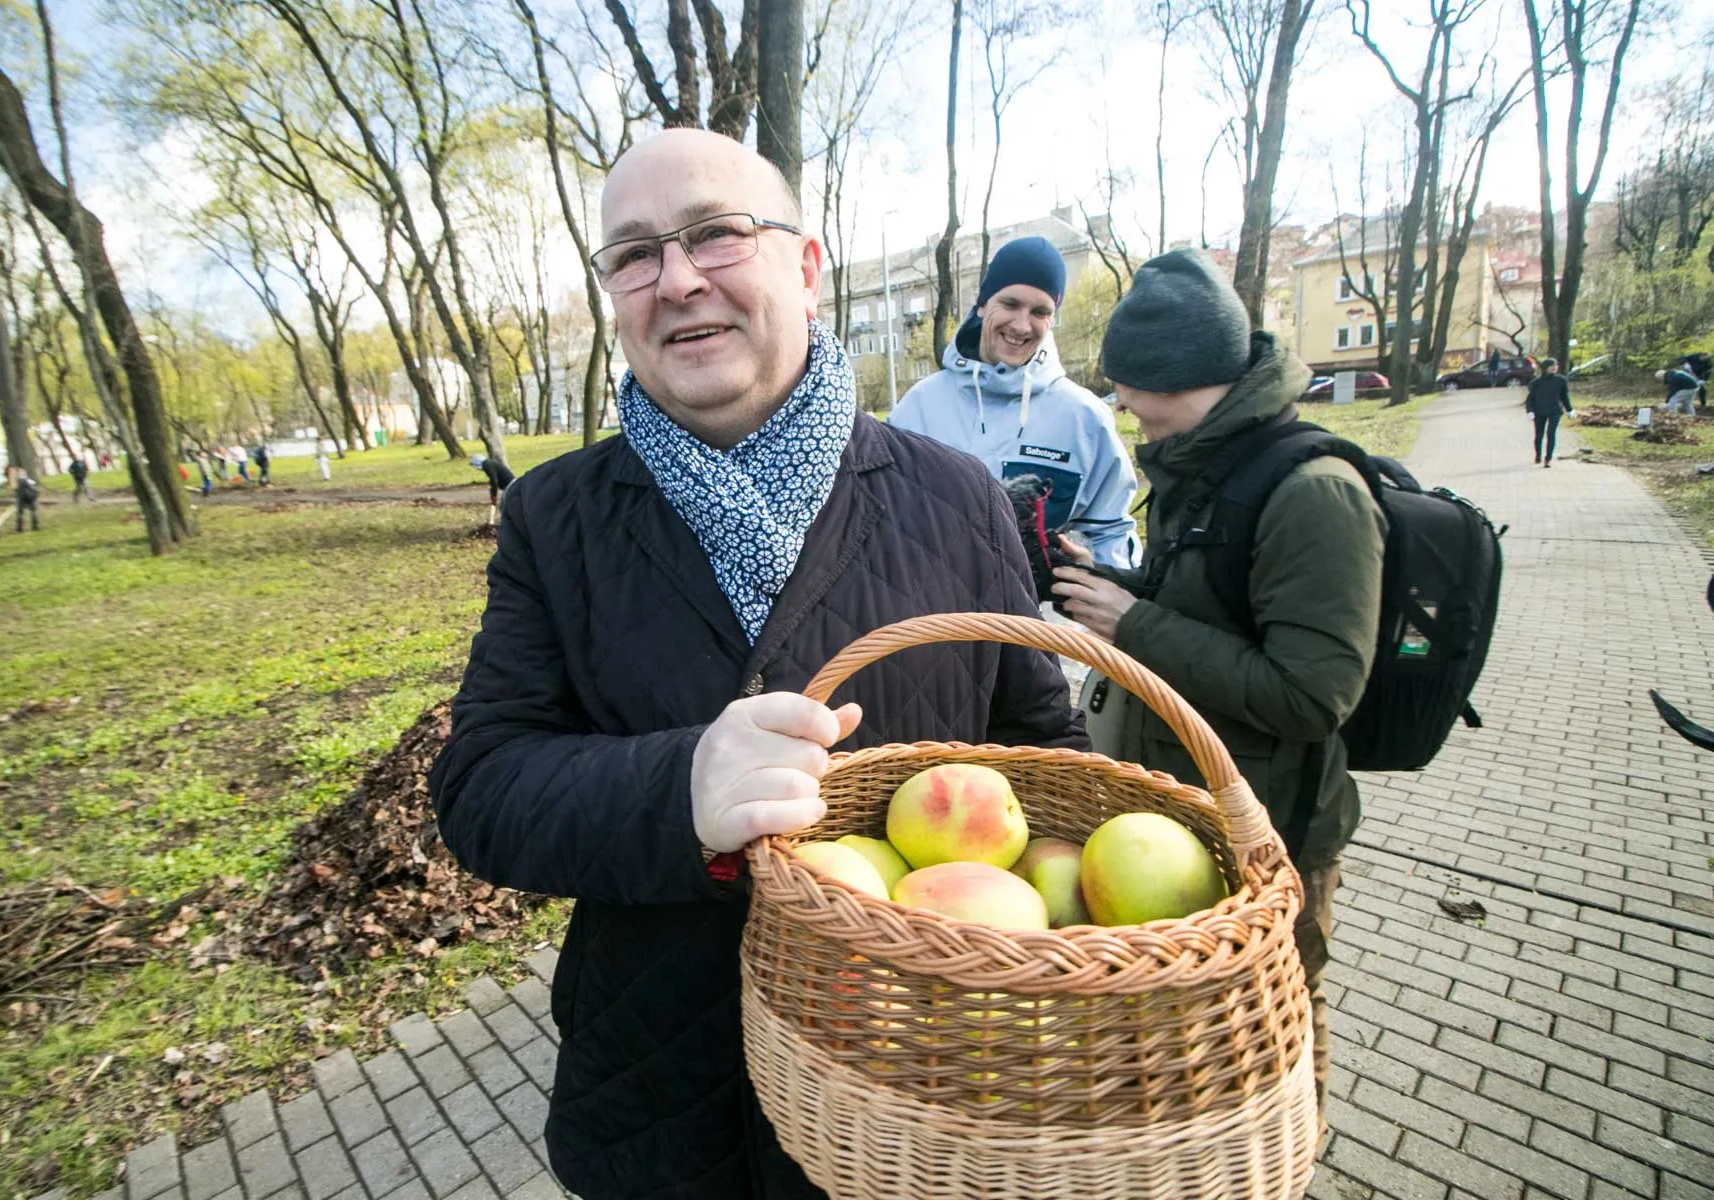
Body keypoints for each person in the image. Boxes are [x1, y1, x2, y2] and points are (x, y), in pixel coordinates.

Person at [427, 128, 1086, 1200]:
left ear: (808, 268)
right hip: (663, 1094)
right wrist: (680, 784)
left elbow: (1049, 755)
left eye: (716, 235)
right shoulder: (558, 516)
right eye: (633, 254)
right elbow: (483, 790)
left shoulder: (957, 498)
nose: (677, 279)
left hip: (913, 1090)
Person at [1049, 248, 1387, 1119]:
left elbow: (1314, 696)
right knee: (1193, 1039)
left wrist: (1136, 625)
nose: (1118, 404)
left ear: (1184, 374)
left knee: (1274, 1028)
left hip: (1272, 830)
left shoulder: (1315, 492)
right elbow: (1215, 608)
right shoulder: (1201, 466)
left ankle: (1283, 1160)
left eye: (1128, 384)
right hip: (1182, 816)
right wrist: (1122, 590)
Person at [887, 236, 1141, 571]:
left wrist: (1106, 585)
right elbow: (884, 522)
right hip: (934, 617)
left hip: (1035, 620)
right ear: (981, 305)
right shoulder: (918, 407)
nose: (1022, 325)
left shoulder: (1085, 418)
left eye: (1040, 311)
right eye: (1010, 303)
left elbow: (1110, 533)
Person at [1525, 357, 1572, 467]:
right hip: (1539, 410)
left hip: (1555, 410)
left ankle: (1548, 458)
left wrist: (1570, 409)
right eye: (1552, 366)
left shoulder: (1561, 380)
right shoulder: (1536, 383)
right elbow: (1530, 398)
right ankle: (1538, 455)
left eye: (1556, 365)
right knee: (1539, 435)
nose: (1554, 368)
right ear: (1545, 368)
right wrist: (1530, 411)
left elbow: (1564, 396)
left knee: (1551, 433)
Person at [468, 452, 514, 525]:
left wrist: (494, 495)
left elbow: (494, 481)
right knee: (503, 506)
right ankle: (505, 524)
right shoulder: (489, 463)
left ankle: (508, 524)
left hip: (510, 485)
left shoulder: (487, 465)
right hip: (509, 485)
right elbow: (493, 480)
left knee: (504, 506)